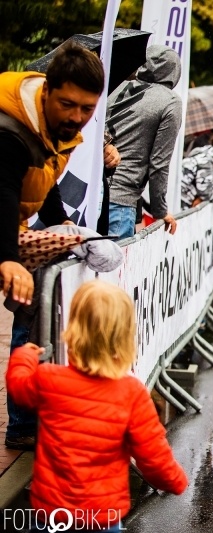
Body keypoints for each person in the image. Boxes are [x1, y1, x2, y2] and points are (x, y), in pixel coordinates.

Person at [6, 280, 188, 531]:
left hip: (50, 513)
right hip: (102, 515)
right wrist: (175, 480)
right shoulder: (132, 393)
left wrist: (24, 357)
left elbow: (18, 387)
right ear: (125, 336)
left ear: (73, 329)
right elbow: (152, 455)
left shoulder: (49, 378)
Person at [0, 42, 105, 450]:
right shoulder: (10, 130)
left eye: (87, 109)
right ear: (46, 91)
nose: (77, 117)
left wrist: (60, 221)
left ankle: (24, 422)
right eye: (68, 104)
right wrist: (9, 259)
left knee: (33, 306)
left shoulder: (50, 128)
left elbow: (43, 176)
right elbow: (4, 189)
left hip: (11, 224)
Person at [105, 44, 182, 239]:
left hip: (89, 193)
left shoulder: (115, 86)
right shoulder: (170, 101)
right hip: (120, 199)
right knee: (113, 268)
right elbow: (159, 163)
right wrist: (160, 210)